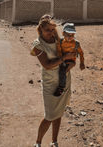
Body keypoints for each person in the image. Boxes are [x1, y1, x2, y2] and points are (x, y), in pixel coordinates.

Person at [30, 15, 76, 147]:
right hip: (50, 83)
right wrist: (64, 58)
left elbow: (70, 55)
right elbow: (47, 65)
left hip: (64, 81)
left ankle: (54, 141)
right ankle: (38, 142)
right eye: (47, 30)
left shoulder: (57, 40)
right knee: (50, 115)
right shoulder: (37, 45)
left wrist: (70, 62)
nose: (50, 33)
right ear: (40, 29)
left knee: (59, 113)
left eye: (52, 29)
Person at [54, 23, 85, 97]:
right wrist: (61, 59)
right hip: (63, 59)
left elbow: (81, 53)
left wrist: (82, 63)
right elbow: (58, 51)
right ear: (63, 34)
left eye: (72, 35)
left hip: (71, 60)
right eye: (68, 35)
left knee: (63, 71)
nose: (70, 37)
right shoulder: (60, 42)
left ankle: (61, 88)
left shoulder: (76, 44)